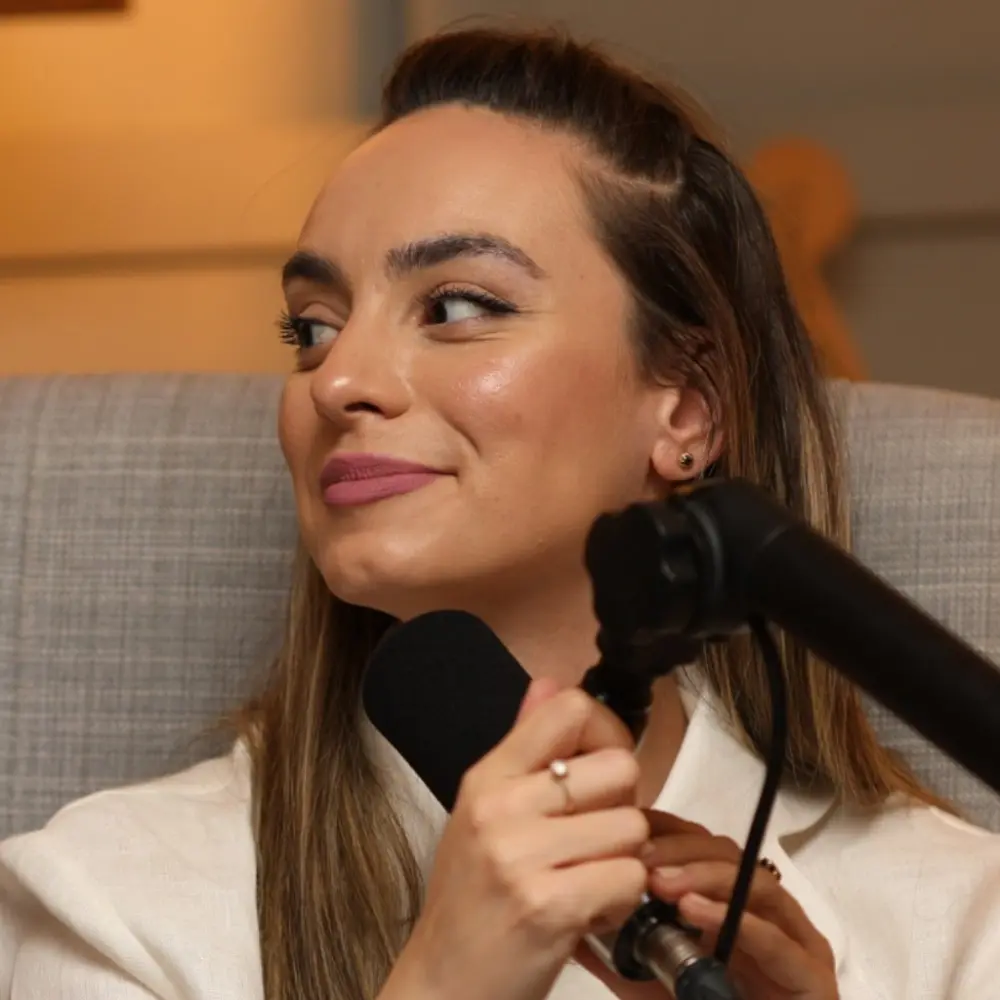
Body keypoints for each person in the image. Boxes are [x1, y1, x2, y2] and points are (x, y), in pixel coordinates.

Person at [1, 25, 998, 1000]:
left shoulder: (957, 918)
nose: (336, 380)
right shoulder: (113, 904)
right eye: (311, 327)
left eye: (455, 308)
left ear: (688, 407)